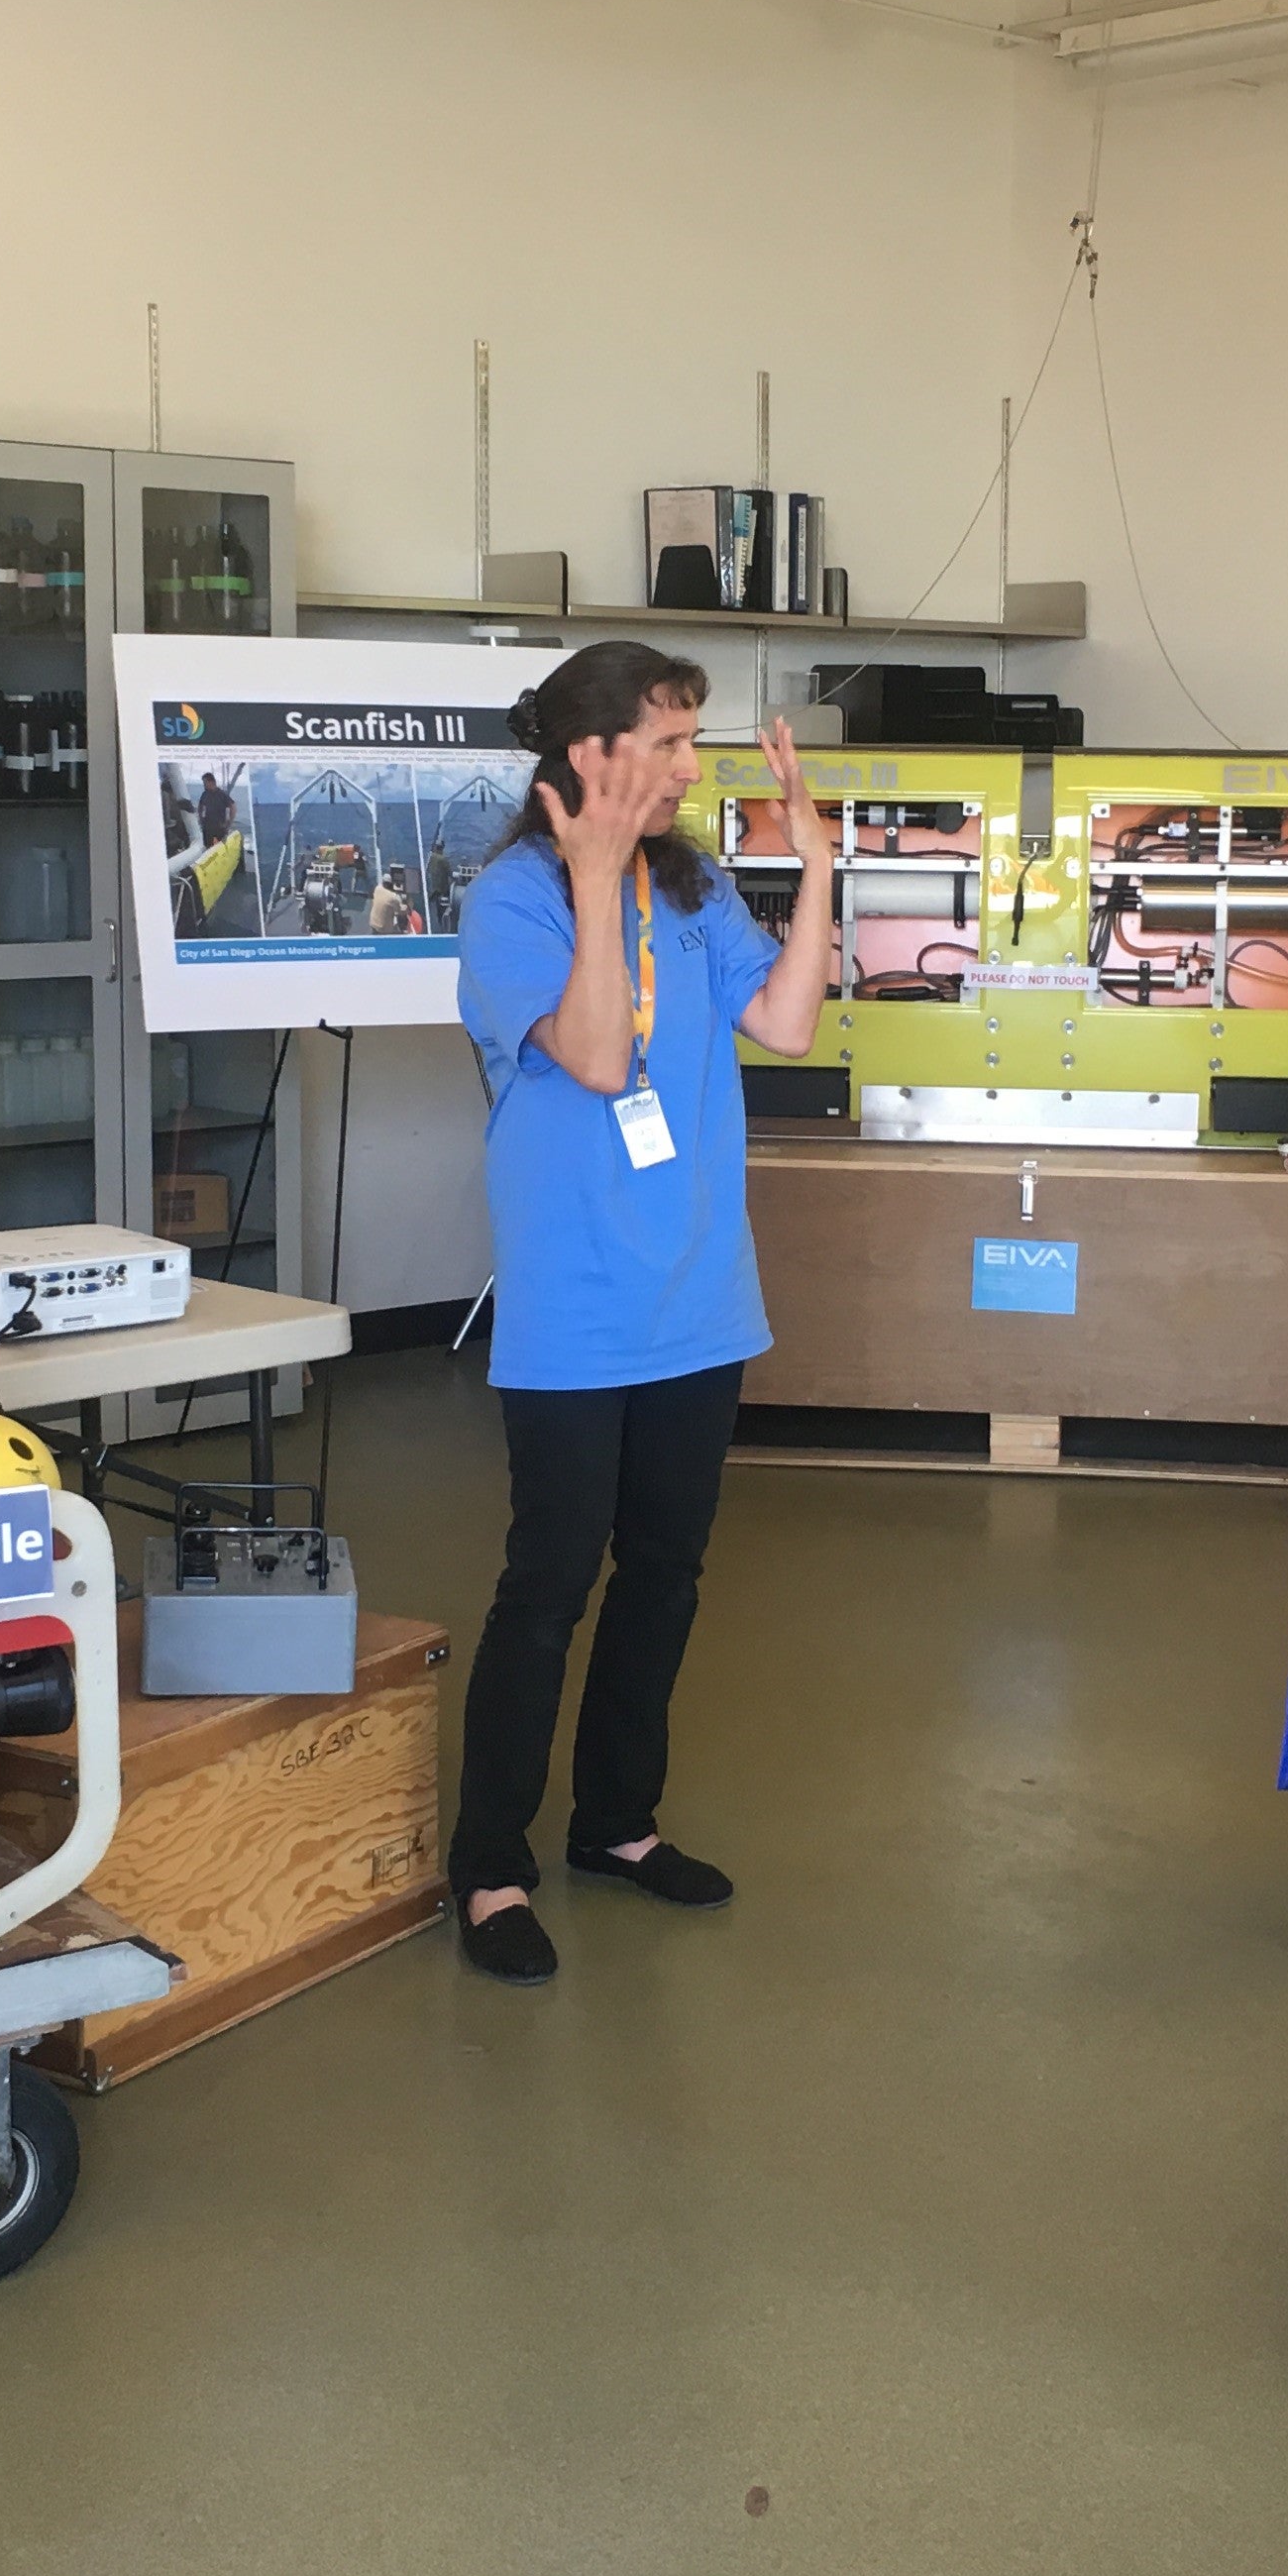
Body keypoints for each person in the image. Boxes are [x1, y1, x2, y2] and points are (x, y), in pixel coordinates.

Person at [446, 643, 836, 1987]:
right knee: (548, 1586)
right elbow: (603, 1055)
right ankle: (491, 1862)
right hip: (574, 1312)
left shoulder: (698, 884)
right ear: (595, 757)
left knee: (663, 1580)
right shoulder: (509, 903)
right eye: (669, 744)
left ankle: (617, 1825)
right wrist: (597, 879)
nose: (692, 767)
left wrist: (817, 862)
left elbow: (786, 1022)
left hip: (699, 1303)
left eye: (693, 740)